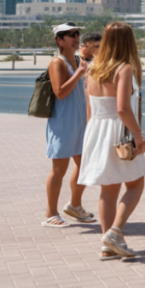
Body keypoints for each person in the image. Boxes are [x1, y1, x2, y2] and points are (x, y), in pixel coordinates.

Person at [78, 22, 145, 260]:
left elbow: (90, 108)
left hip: (97, 129)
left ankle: (107, 244)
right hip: (118, 131)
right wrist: (138, 135)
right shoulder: (124, 68)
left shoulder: (92, 68)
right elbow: (122, 108)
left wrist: (92, 136)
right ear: (129, 42)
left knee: (107, 190)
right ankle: (115, 232)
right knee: (135, 184)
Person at [42, 23, 94, 228]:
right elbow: (60, 92)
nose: (76, 37)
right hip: (63, 122)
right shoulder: (58, 62)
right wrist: (80, 73)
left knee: (85, 166)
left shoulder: (78, 60)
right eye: (71, 35)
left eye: (77, 33)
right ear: (59, 40)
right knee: (58, 169)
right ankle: (50, 213)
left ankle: (74, 205)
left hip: (79, 121)